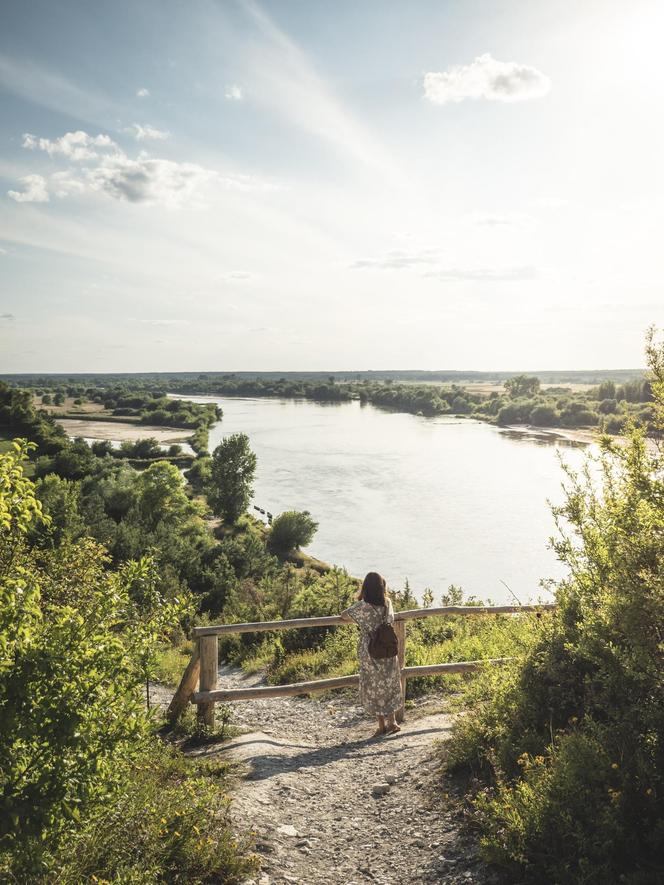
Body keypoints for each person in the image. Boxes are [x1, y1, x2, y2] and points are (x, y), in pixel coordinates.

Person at [340, 571, 403, 737]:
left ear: (365, 588)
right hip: (387, 647)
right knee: (390, 682)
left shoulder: (362, 606)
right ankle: (393, 721)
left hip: (370, 649)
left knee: (373, 685)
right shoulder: (387, 603)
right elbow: (390, 620)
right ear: (382, 587)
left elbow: (344, 616)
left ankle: (381, 724)